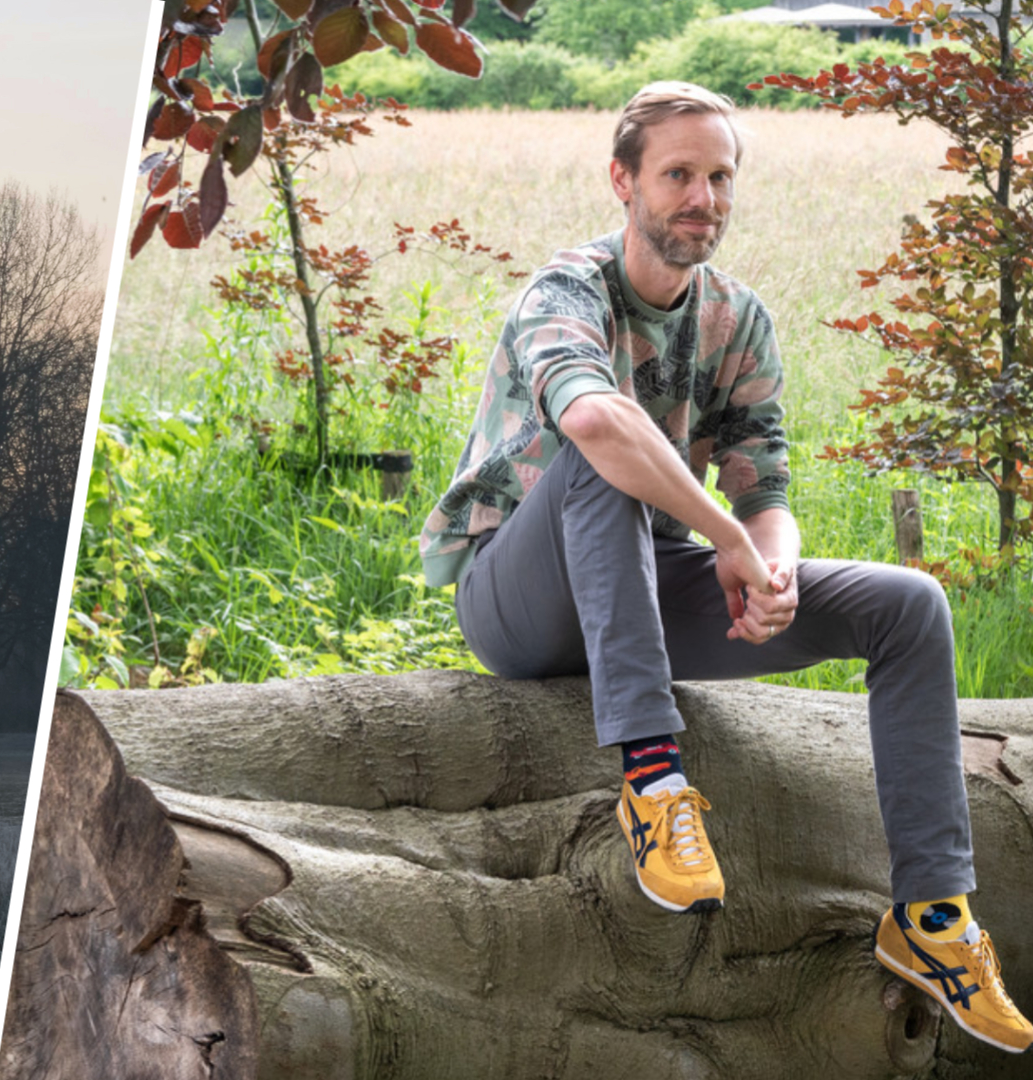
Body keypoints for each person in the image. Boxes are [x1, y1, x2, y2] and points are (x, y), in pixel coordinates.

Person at [417, 80, 1030, 1054]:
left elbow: (763, 476)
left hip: (649, 585)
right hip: (520, 599)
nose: (701, 196)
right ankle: (655, 787)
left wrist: (771, 569)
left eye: (719, 176)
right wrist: (729, 541)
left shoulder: (737, 319)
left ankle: (934, 918)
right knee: (605, 451)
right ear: (624, 182)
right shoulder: (567, 291)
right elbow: (594, 423)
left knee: (908, 604)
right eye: (677, 175)